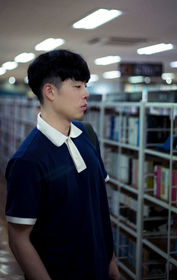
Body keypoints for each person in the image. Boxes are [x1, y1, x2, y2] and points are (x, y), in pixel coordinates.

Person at [5, 49, 121, 280]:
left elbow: (97, 207)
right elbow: (18, 238)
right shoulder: (27, 160)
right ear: (50, 91)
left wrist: (111, 264)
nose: (86, 93)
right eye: (77, 86)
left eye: (85, 85)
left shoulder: (87, 135)